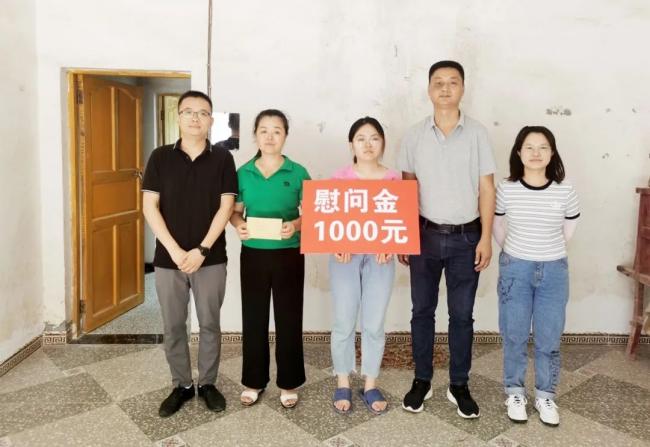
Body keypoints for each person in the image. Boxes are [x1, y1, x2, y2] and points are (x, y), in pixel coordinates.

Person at [397, 60, 496, 417]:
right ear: (428, 90)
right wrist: (405, 236)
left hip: (466, 238)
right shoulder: (414, 135)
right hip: (424, 236)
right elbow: (407, 188)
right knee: (421, 311)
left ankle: (459, 384)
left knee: (462, 315)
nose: (445, 88)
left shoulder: (478, 134)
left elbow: (487, 188)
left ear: (462, 89)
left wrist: (486, 238)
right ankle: (421, 380)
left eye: (452, 82)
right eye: (438, 82)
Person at [142, 90, 238, 417]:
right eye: (189, 112)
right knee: (173, 325)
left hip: (210, 258)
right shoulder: (159, 157)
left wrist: (202, 249)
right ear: (178, 116)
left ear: (211, 120)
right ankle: (181, 385)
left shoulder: (223, 158)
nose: (195, 118)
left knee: (209, 323)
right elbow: (150, 206)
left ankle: (208, 383)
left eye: (202, 112)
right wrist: (174, 249)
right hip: (168, 260)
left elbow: (226, 207)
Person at [493, 126, 579, 426]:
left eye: (543, 147)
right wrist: (515, 251)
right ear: (519, 152)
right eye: (529, 147)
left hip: (554, 270)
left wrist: (548, 250)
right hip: (515, 268)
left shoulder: (565, 189)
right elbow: (498, 226)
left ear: (552, 153)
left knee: (549, 337)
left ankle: (545, 395)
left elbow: (569, 229)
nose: (536, 153)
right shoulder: (506, 188)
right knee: (514, 334)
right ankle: (514, 392)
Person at [230, 109, 311, 409]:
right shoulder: (243, 173)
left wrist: (296, 225)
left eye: (277, 131)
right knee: (254, 317)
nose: (270, 136)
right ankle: (254, 380)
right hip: (253, 255)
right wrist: (239, 225)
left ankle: (289, 382)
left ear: (285, 136)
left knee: (289, 318)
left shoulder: (298, 172)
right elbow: (235, 212)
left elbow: (313, 213)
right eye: (264, 130)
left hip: (289, 253)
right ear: (255, 135)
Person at [329, 117, 400, 415]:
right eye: (361, 138)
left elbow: (401, 221)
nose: (368, 144)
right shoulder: (339, 178)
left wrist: (390, 245)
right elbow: (329, 221)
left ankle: (370, 383)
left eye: (374, 138)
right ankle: (343, 380)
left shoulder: (394, 179)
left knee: (373, 323)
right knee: (344, 321)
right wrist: (337, 244)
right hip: (344, 259)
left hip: (380, 258)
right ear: (351, 145)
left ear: (383, 143)